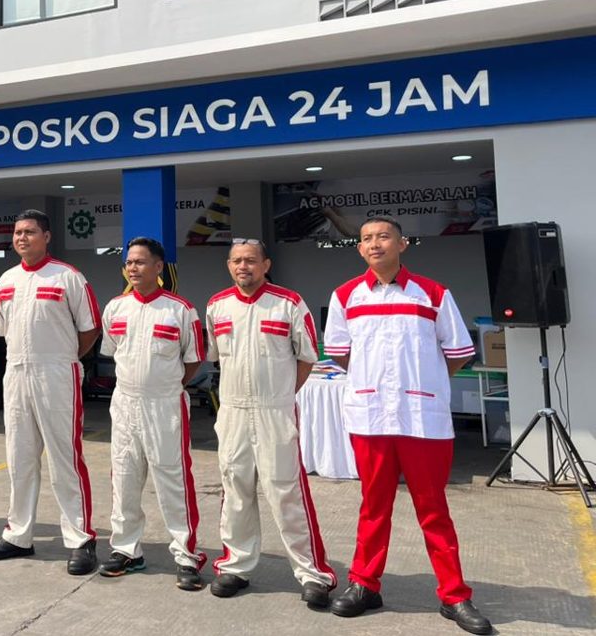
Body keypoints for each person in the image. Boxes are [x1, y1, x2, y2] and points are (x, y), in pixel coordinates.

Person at [324, 217, 491, 635]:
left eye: (383, 236)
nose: (374, 244)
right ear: (359, 249)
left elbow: (458, 352)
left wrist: (427, 381)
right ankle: (364, 583)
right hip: (371, 418)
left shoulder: (433, 293)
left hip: (422, 419)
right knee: (373, 505)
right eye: (366, 239)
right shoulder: (345, 295)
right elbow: (340, 353)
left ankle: (454, 595)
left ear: (402, 244)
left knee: (433, 508)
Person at [204, 237, 337, 607]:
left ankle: (312, 574)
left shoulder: (288, 303)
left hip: (274, 411)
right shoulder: (217, 305)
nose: (242, 266)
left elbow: (307, 357)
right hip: (232, 411)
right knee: (235, 490)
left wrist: (281, 395)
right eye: (236, 261)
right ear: (229, 266)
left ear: (266, 265)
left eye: (250, 260)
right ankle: (235, 566)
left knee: (286, 492)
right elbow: (215, 355)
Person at [0, 210, 102, 575]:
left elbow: (90, 329)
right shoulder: (6, 280)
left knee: (65, 458)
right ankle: (18, 535)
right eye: (18, 232)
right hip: (17, 373)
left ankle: (80, 539)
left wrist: (65, 357)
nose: (22, 238)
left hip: (57, 372)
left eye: (30, 232)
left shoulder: (68, 276)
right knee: (19, 458)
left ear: (46, 237)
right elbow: (3, 332)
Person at [98, 237, 207, 590]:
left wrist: (168, 385)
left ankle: (186, 555)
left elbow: (193, 360)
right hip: (125, 403)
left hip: (165, 405)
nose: (133, 268)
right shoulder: (115, 308)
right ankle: (126, 550)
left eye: (140, 262)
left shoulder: (180, 310)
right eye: (129, 262)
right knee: (124, 477)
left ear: (158, 267)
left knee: (173, 480)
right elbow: (112, 351)